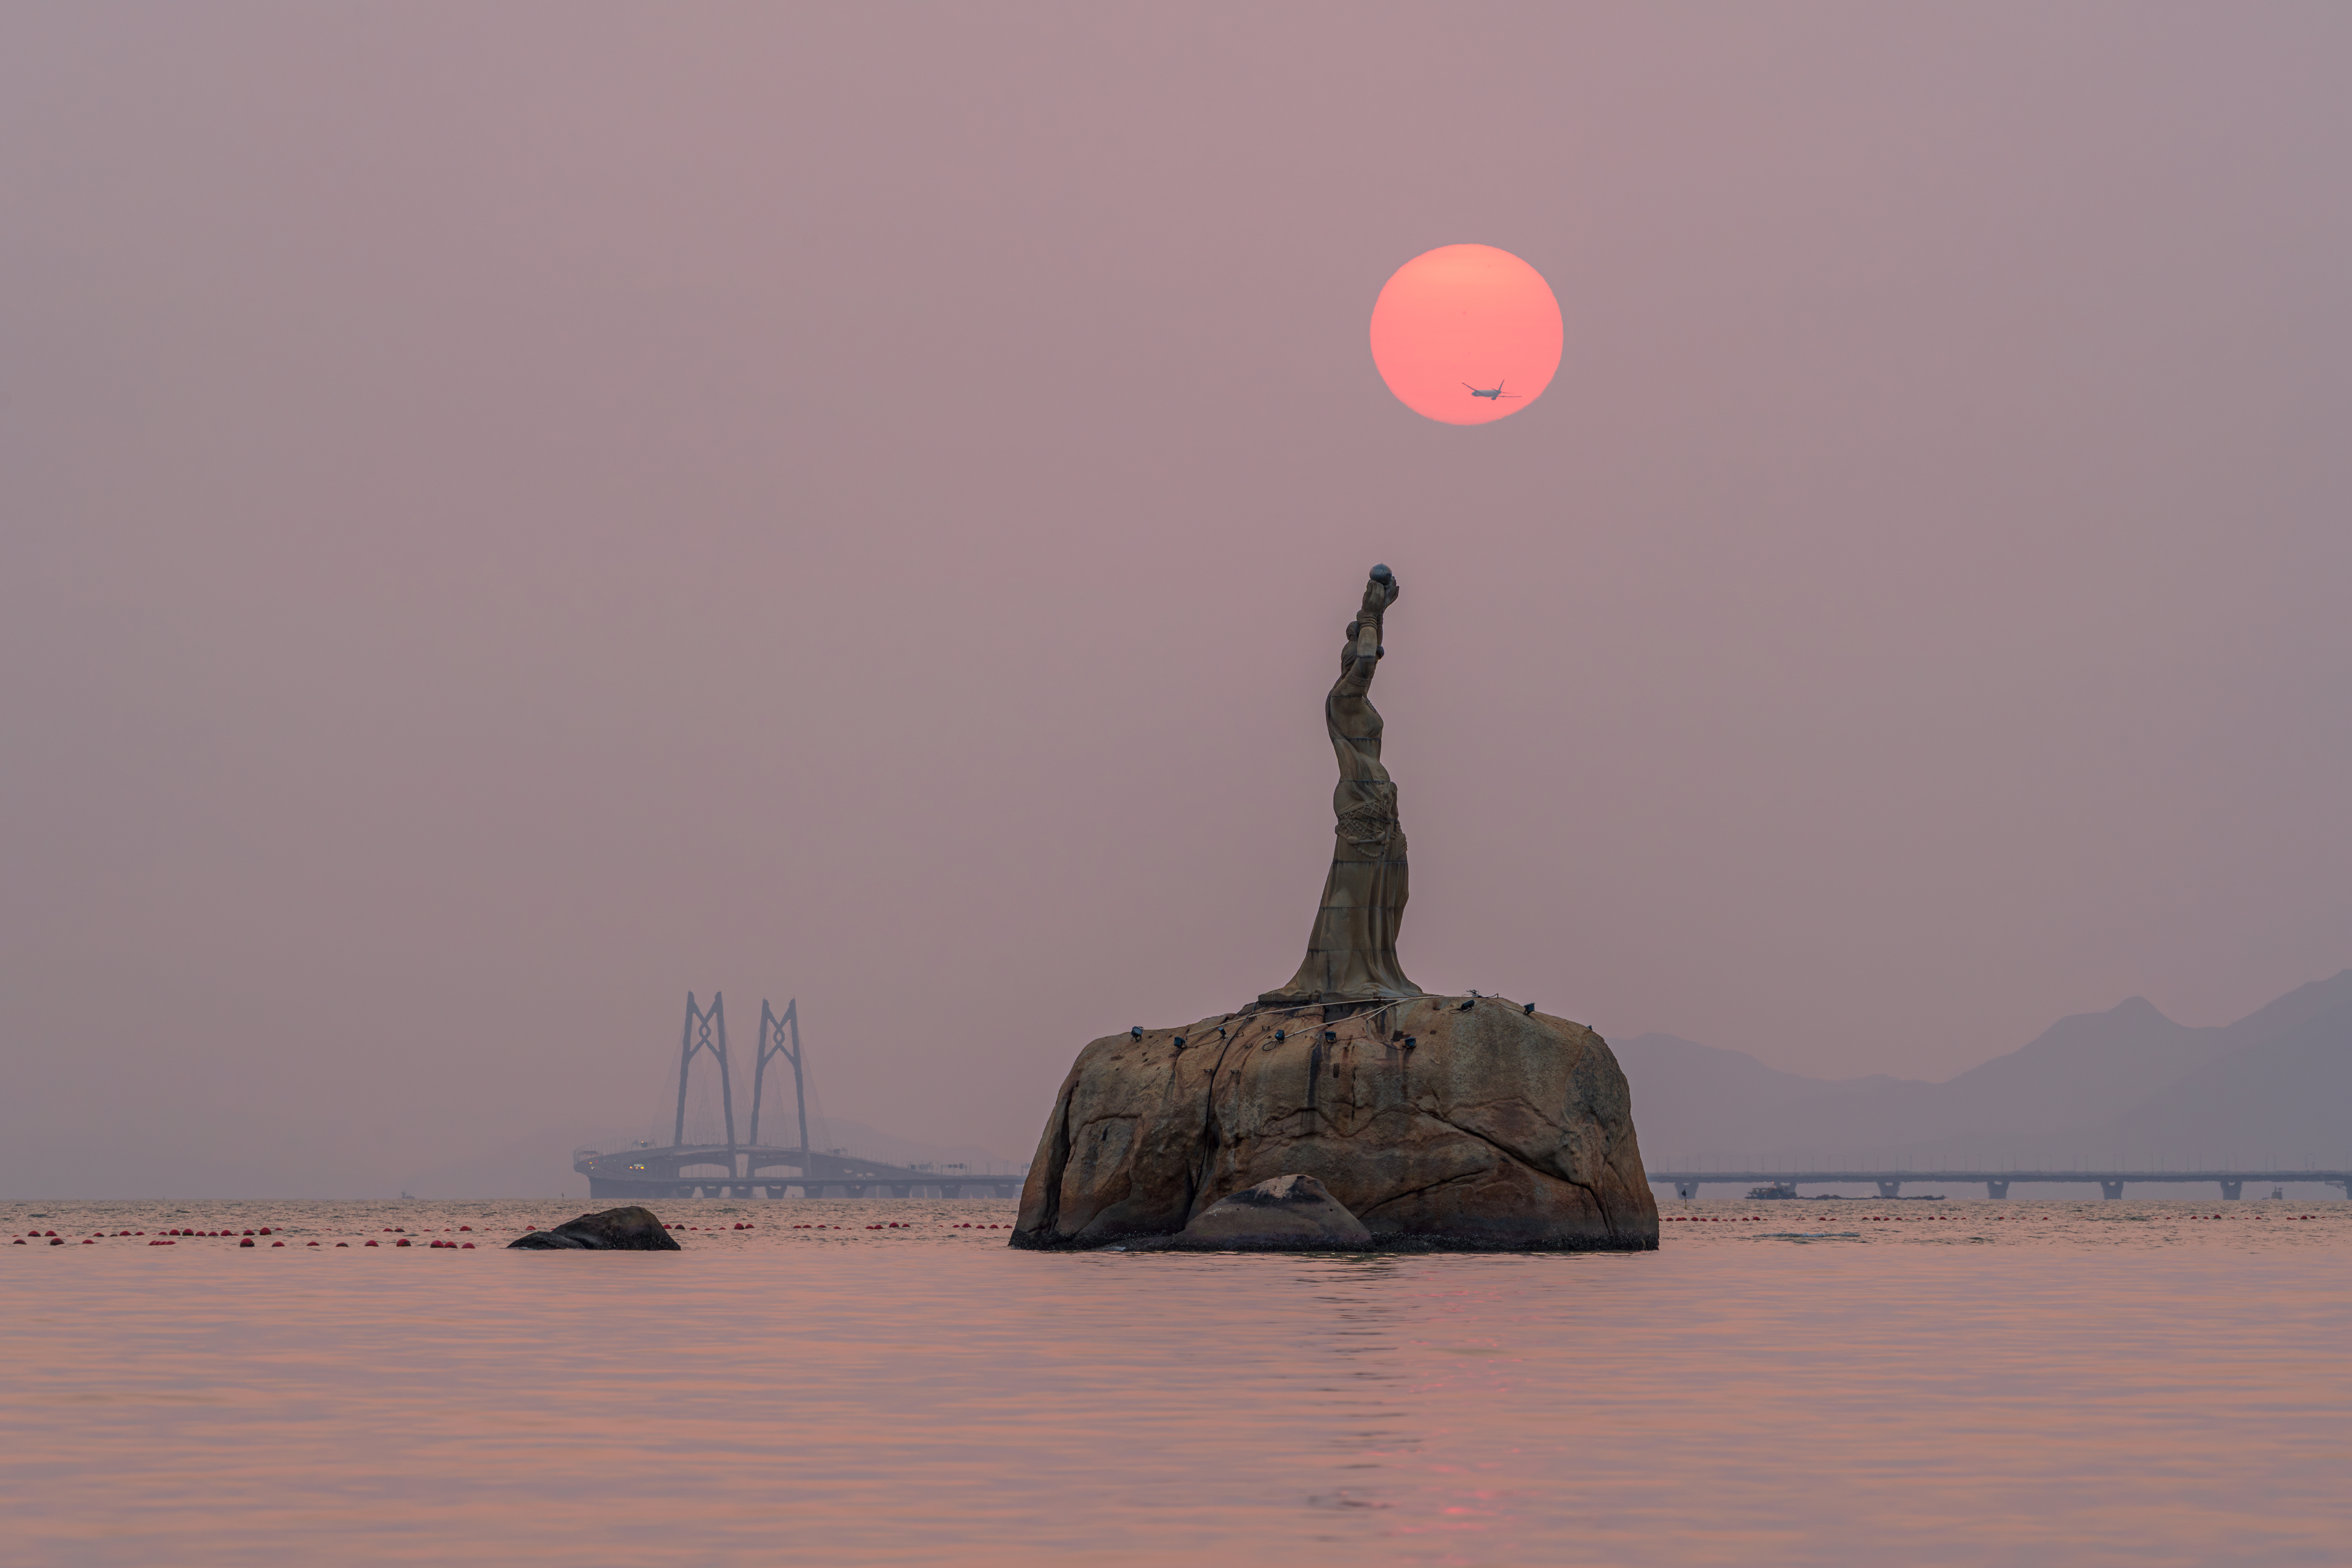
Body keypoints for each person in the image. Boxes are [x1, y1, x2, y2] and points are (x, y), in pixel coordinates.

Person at [1261, 564, 1423, 1005]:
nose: (1373, 669)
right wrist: (1370, 614)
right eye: (1367, 663)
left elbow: (1373, 657)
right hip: (1361, 809)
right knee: (1354, 894)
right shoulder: (1342, 699)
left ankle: (1374, 965)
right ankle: (1343, 971)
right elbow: (1368, 658)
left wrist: (1380, 616)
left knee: (1392, 894)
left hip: (1381, 812)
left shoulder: (1360, 701)